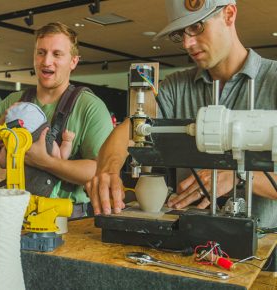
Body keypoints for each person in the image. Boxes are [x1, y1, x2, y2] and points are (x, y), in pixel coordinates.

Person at [86, 0, 277, 227]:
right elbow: (133, 127)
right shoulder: (176, 87)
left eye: (196, 27)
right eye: (180, 34)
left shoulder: (272, 79)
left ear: (229, 14)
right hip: (191, 244)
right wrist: (108, 170)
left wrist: (241, 174)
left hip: (266, 250)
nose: (187, 43)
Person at [0, 22, 113, 215]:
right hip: (14, 215)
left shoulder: (90, 107)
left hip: (68, 221)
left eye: (57, 54)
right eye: (41, 52)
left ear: (73, 61)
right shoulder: (13, 102)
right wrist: (3, 120)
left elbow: (100, 170)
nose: (46, 61)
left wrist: (46, 162)